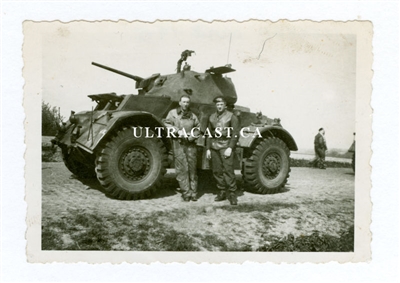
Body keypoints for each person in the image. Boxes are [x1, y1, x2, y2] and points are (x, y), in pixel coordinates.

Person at [164, 95, 200, 201]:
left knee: (192, 169)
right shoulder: (173, 113)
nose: (185, 104)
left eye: (187, 102)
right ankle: (186, 193)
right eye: (184, 102)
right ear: (179, 103)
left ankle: (194, 193)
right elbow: (166, 124)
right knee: (181, 169)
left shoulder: (193, 115)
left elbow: (198, 127)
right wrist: (175, 130)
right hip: (178, 143)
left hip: (190, 144)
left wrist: (192, 136)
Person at [205, 96, 240, 205]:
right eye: (218, 104)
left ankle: (232, 194)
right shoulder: (211, 117)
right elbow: (209, 134)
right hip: (214, 146)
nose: (219, 106)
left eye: (221, 104)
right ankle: (222, 192)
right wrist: (208, 149)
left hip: (226, 146)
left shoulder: (231, 117)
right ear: (216, 105)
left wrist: (230, 147)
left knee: (228, 171)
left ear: (225, 105)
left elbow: (235, 134)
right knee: (217, 171)